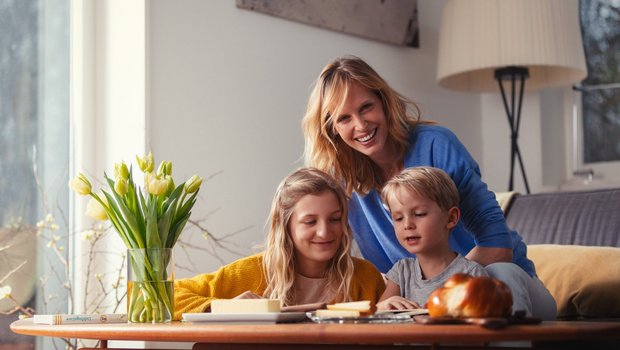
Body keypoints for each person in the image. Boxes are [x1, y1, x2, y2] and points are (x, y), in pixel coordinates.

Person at [301, 55, 556, 320]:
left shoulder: (436, 145)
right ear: (331, 128)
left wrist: (434, 295)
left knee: (497, 277)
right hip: (424, 305)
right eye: (344, 118)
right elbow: (325, 259)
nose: (361, 125)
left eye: (366, 107)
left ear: (384, 103)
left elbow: (498, 246)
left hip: (508, 287)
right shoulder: (341, 183)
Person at [173, 167, 386, 320]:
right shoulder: (253, 272)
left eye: (335, 219)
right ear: (285, 226)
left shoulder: (365, 277)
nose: (324, 231)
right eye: (310, 221)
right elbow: (166, 295)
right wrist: (221, 307)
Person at [376, 167, 488, 310]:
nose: (407, 225)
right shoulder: (402, 271)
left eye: (420, 214)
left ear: (451, 218)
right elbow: (375, 316)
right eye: (398, 218)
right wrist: (384, 305)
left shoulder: (471, 274)